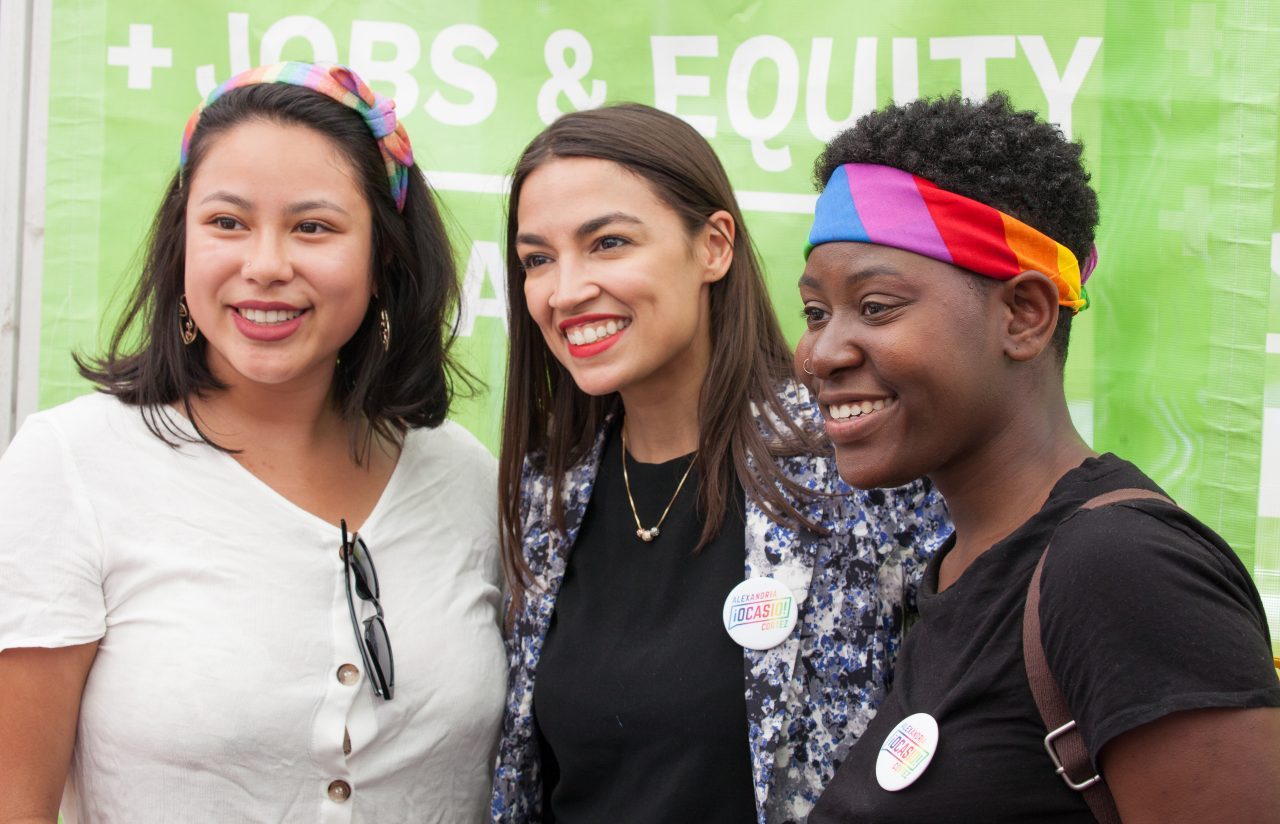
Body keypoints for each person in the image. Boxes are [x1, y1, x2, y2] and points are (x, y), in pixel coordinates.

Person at [0, 62, 505, 822]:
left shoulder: (464, 479)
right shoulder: (71, 465)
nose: (265, 266)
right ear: (183, 244)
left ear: (385, 258)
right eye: (227, 223)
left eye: (314, 227)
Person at [795, 93, 1280, 823]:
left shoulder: (1121, 570)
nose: (821, 353)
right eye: (815, 313)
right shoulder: (957, 567)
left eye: (877, 306)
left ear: (1023, 315)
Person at [488, 103, 951, 824]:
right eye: (537, 259)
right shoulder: (545, 488)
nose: (566, 290)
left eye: (607, 243)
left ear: (714, 246)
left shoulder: (855, 466)